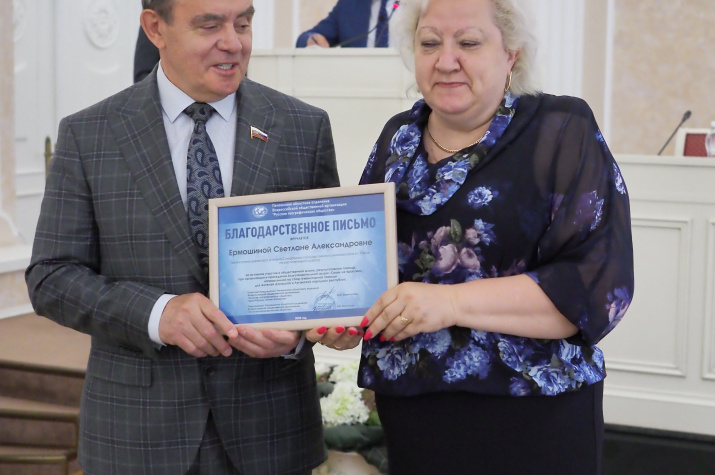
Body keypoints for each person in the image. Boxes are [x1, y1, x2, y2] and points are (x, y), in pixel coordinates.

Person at [307, 0, 634, 473]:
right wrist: (343, 317)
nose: (446, 60)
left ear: (511, 54)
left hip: (534, 415)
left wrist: (449, 304)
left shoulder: (560, 128)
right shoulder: (397, 138)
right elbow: (365, 266)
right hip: (414, 413)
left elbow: (596, 288)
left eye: (469, 42)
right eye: (429, 43)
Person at [26, 0, 340, 473]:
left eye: (243, 23)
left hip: (270, 432)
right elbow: (51, 278)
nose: (233, 43)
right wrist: (158, 314)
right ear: (156, 28)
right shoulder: (89, 135)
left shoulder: (302, 128)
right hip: (136, 437)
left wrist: (297, 333)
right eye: (209, 26)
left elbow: (324, 272)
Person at [295, 0, 398, 48]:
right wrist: (311, 39)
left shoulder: (407, 5)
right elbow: (306, 37)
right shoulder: (349, 4)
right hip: (358, 80)